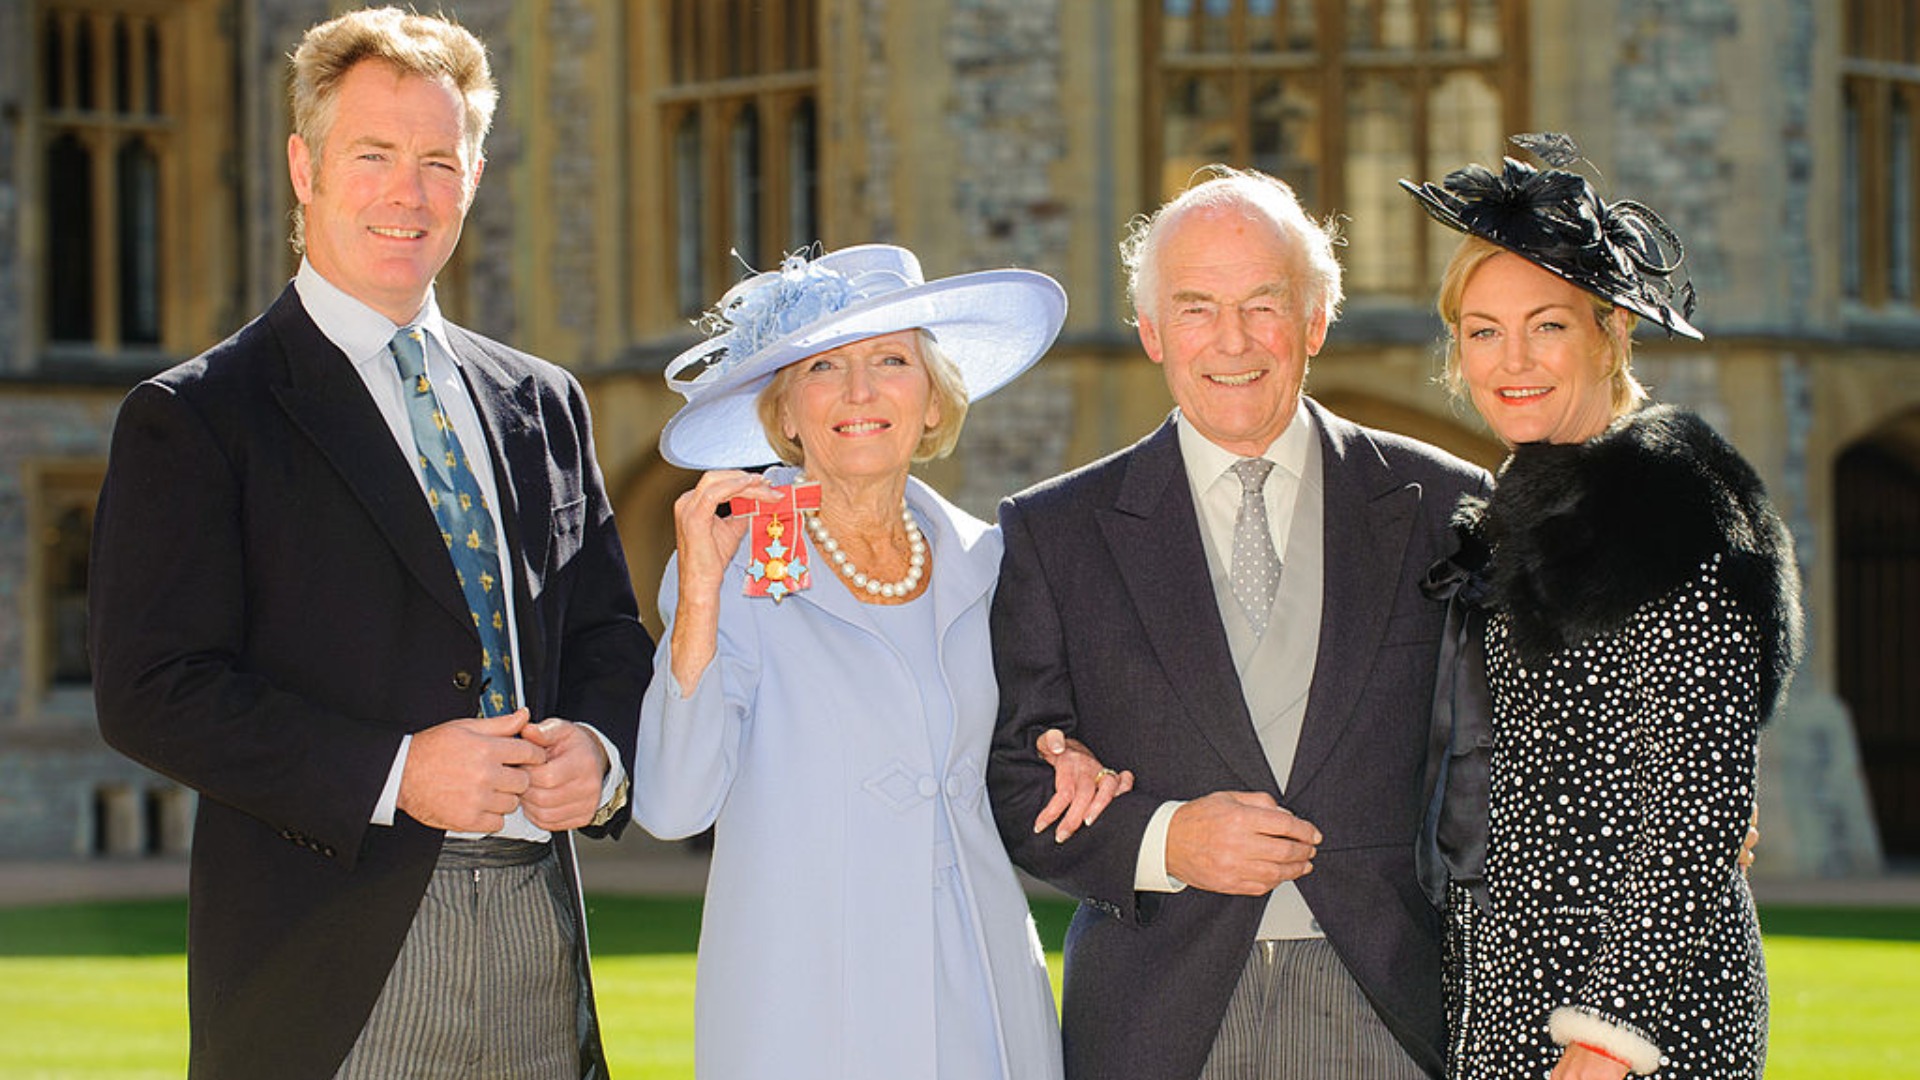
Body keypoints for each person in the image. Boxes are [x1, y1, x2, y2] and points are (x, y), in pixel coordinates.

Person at [87, 8, 653, 1078]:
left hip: (542, 938)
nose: (411, 192)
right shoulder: (201, 413)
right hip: (332, 956)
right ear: (305, 167)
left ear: (475, 176)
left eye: (440, 159)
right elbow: (151, 688)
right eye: (375, 154)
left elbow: (609, 637)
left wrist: (604, 753)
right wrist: (397, 772)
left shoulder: (543, 401)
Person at [986, 166, 1490, 1080]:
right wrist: (1164, 839)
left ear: (1315, 321)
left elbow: (1509, 761)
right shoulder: (1051, 532)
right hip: (1160, 1017)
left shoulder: (1450, 508)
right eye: (1195, 308)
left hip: (1400, 1007)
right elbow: (1016, 779)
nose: (1232, 341)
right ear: (1149, 331)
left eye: (1264, 304)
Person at [633, 243, 1127, 1080]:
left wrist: (1070, 750)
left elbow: (1036, 739)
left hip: (979, 983)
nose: (860, 393)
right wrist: (705, 601)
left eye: (891, 360)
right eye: (824, 366)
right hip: (804, 1003)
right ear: (786, 413)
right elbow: (676, 808)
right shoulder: (732, 569)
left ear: (933, 401)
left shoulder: (998, 564)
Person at [1402, 136, 1801, 1079]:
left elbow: (1697, 799)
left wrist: (1605, 1036)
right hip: (1508, 986)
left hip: (1637, 1014)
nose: (1513, 360)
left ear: (1611, 332)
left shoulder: (1671, 505)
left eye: (1547, 325)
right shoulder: (1527, 505)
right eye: (1484, 330)